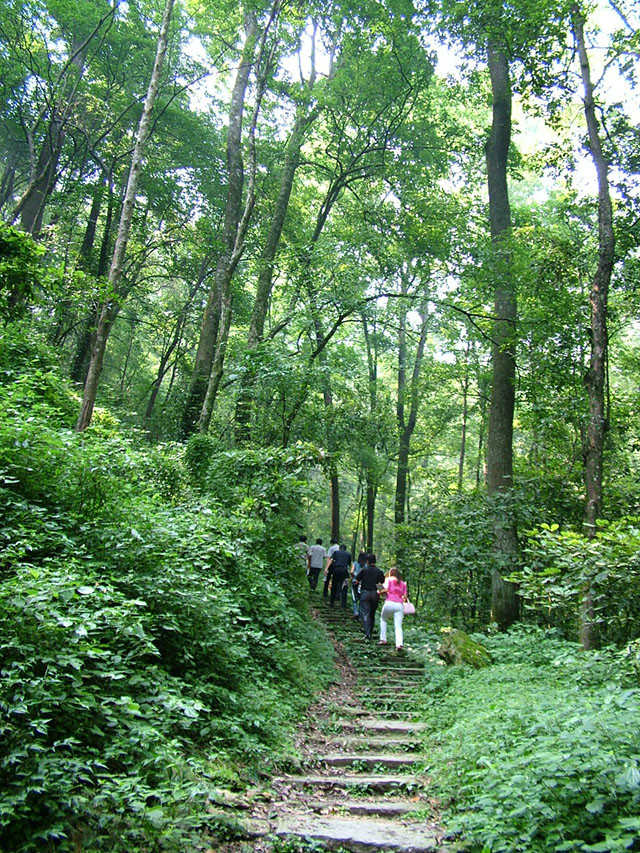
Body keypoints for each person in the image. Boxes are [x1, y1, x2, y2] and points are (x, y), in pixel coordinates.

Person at [379, 567, 408, 650]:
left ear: (390, 573)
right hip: (399, 605)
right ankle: (399, 644)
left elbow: (385, 590)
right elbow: (405, 597)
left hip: (389, 603)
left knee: (383, 619)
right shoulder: (403, 583)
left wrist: (379, 591)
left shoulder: (389, 580)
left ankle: (383, 639)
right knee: (398, 626)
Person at [357, 553, 385, 640]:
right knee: (372, 614)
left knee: (365, 614)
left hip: (365, 593)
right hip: (375, 594)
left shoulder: (363, 570)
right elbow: (381, 583)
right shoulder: (379, 571)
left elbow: (357, 580)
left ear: (367, 561)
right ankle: (371, 632)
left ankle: (367, 633)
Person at [327, 543, 352, 608]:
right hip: (344, 570)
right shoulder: (348, 554)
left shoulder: (336, 552)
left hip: (336, 570)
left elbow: (331, 560)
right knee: (344, 586)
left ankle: (331, 603)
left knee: (334, 585)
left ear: (340, 548)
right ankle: (343, 605)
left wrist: (326, 568)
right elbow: (349, 564)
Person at [351, 551, 366, 619]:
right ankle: (360, 615)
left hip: (355, 582)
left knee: (354, 598)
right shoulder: (366, 566)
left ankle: (356, 612)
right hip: (363, 584)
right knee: (361, 599)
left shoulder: (355, 563)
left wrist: (353, 576)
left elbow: (351, 571)